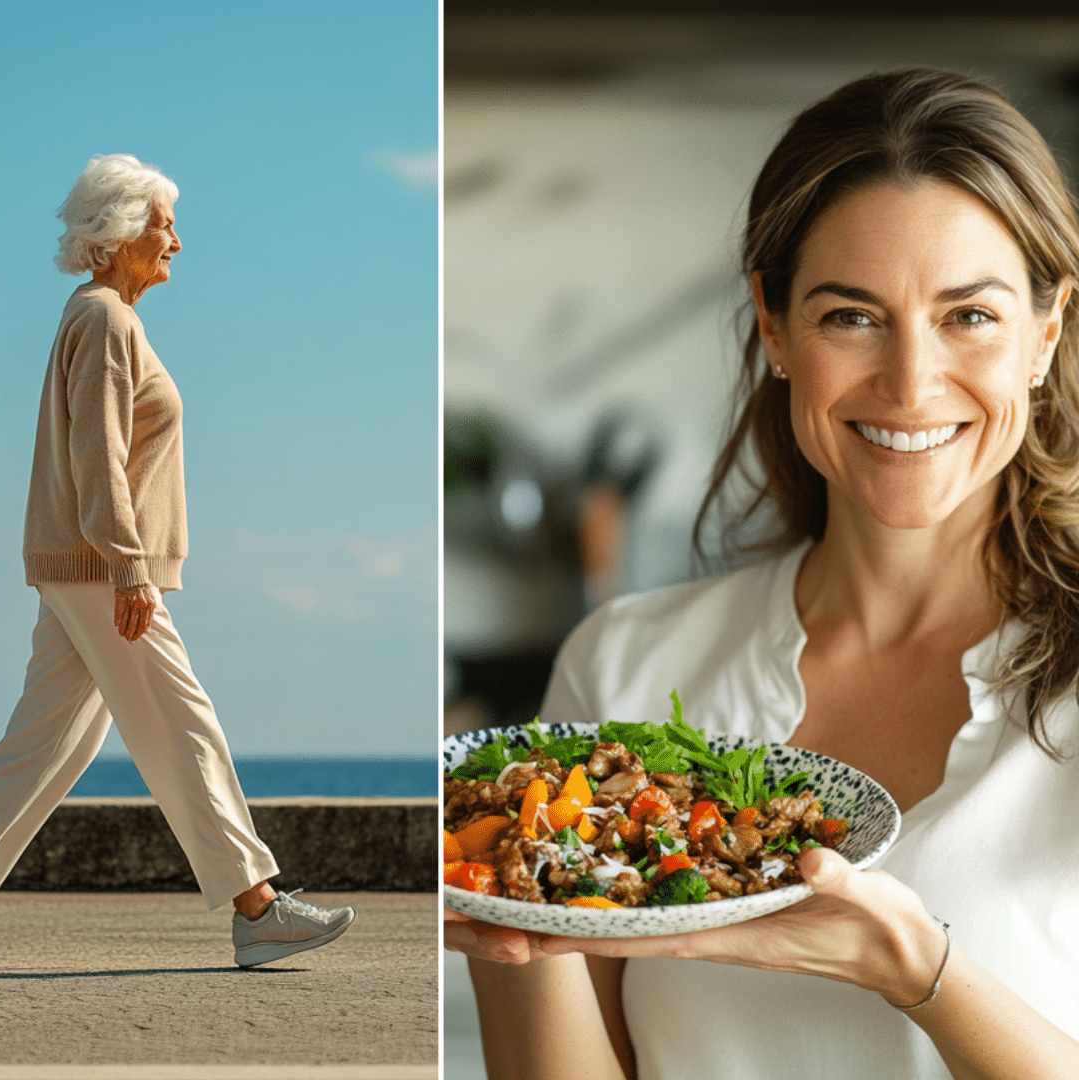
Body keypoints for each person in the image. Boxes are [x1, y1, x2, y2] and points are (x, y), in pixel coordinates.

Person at [446, 68, 1079, 1080]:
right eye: (851, 316)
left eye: (970, 316)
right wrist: (516, 891)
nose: (912, 383)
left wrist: (923, 974)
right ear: (775, 326)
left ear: (1045, 334)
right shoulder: (623, 669)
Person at [0, 153, 354, 974]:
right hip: (102, 568)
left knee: (48, 743)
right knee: (182, 721)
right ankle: (258, 908)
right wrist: (130, 566)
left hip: (84, 563)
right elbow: (97, 452)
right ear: (119, 232)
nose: (177, 240)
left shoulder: (98, 316)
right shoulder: (103, 319)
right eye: (164, 223)